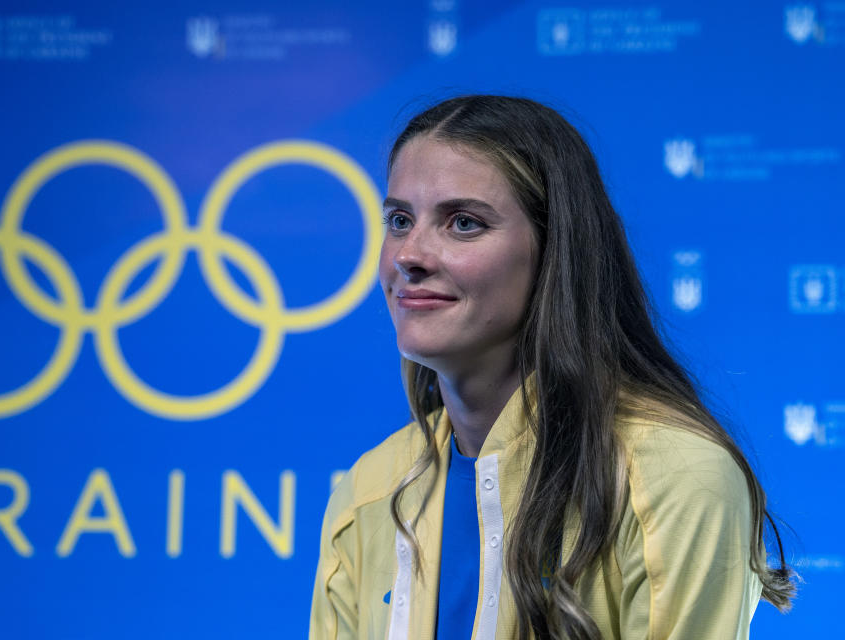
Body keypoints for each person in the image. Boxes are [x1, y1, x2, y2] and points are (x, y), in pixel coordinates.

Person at [309, 95, 795, 640]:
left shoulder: (674, 478)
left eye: (464, 223)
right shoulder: (368, 491)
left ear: (555, 249)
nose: (409, 254)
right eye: (400, 220)